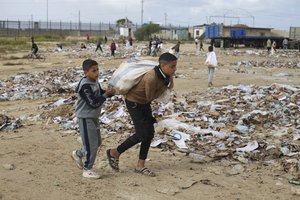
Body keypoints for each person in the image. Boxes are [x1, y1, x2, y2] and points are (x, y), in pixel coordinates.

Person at [106, 52, 178, 177]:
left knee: (149, 134)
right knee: (141, 134)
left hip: (143, 103)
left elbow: (166, 88)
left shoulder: (165, 75)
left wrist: (168, 82)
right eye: (172, 67)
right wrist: (164, 88)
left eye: (175, 66)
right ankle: (114, 152)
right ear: (162, 65)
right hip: (134, 103)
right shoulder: (151, 77)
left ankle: (140, 165)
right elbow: (150, 97)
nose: (174, 69)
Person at [72, 59, 115, 179]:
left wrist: (107, 92)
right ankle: (87, 169)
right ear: (86, 72)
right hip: (86, 117)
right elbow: (93, 103)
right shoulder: (85, 86)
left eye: (97, 70)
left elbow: (99, 92)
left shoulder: (94, 81)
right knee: (92, 144)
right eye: (93, 71)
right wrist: (105, 95)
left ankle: (78, 153)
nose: (97, 73)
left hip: (94, 116)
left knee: (97, 142)